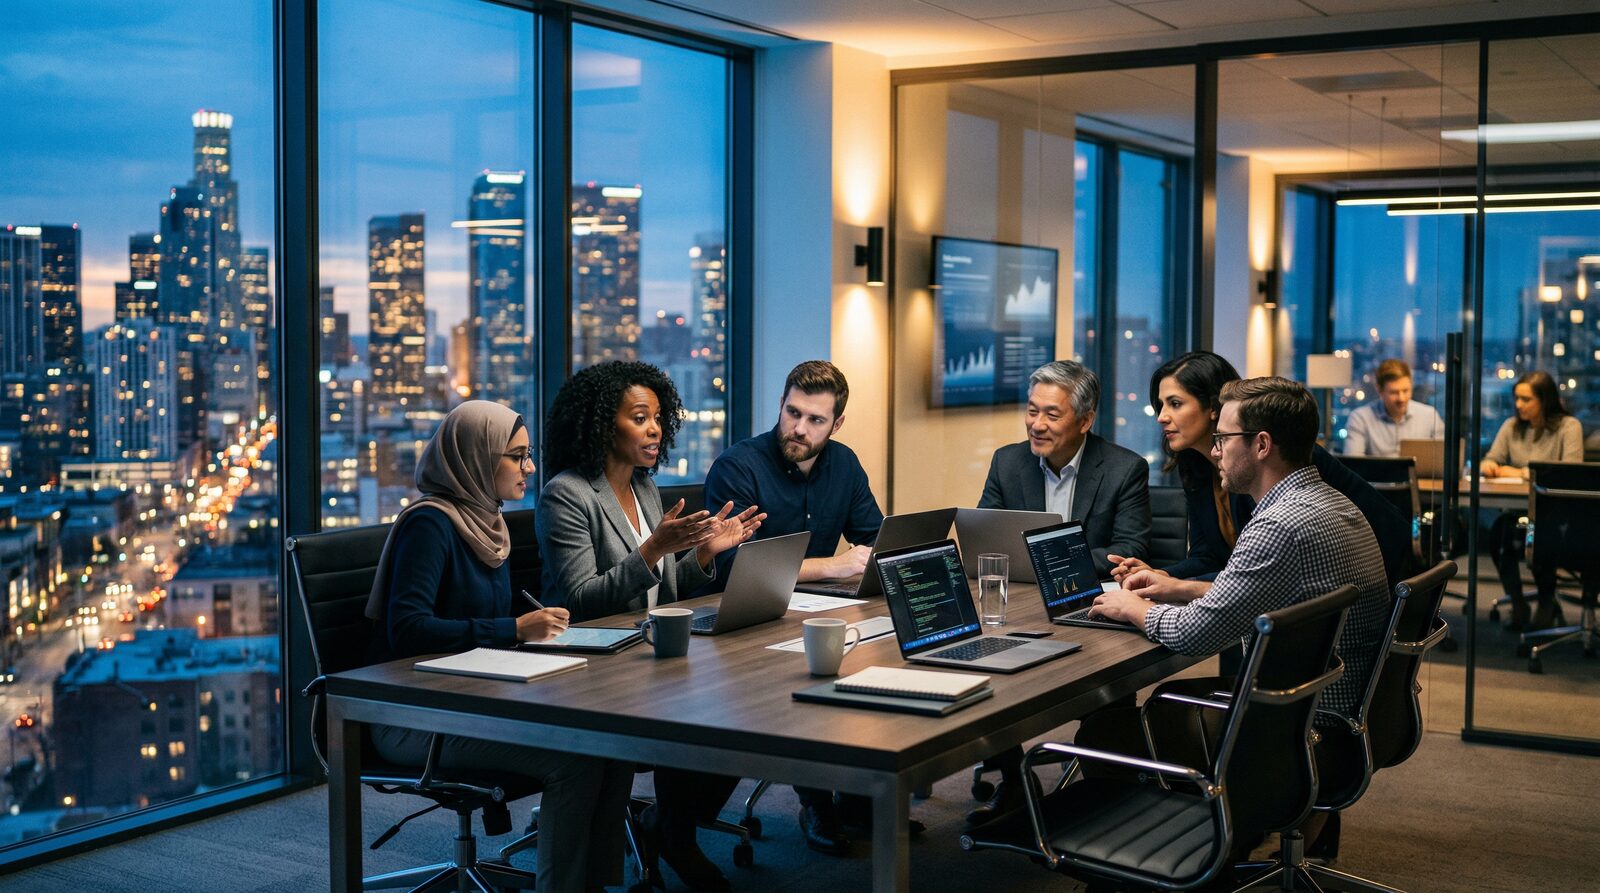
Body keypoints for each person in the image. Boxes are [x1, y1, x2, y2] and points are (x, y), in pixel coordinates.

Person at [1084, 376, 1392, 861]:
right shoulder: (1327, 502)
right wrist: (1182, 588)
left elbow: (1194, 634)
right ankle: (1223, 841)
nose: (1217, 450)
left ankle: (1178, 864)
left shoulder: (1277, 524)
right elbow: (1274, 595)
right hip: (1345, 712)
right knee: (1164, 705)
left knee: (1107, 731)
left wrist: (1133, 607)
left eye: (1223, 439)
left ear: (1262, 445)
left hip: (1300, 726)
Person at [364, 400, 634, 893]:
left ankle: (595, 885)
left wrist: (536, 634)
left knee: (609, 744)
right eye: (517, 456)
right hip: (413, 714)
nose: (529, 467)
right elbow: (408, 631)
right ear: (475, 458)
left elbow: (483, 625)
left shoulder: (487, 522)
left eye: (528, 455)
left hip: (473, 695)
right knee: (575, 758)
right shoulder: (431, 524)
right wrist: (512, 629)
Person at [537, 361, 763, 892]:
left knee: (738, 705)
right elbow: (582, 601)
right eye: (640, 418)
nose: (656, 429)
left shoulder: (644, 488)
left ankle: (673, 827)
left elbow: (664, 587)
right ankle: (674, 836)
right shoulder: (567, 494)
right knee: (704, 712)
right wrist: (656, 546)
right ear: (602, 426)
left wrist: (704, 554)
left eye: (659, 418)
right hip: (590, 665)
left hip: (647, 653)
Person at [701, 359, 905, 856]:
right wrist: (832, 568)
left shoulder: (844, 463)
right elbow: (731, 569)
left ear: (836, 425)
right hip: (750, 624)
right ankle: (816, 799)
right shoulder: (739, 466)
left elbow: (872, 541)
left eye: (815, 420)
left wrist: (881, 560)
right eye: (792, 413)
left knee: (882, 653)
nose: (798, 428)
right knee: (813, 674)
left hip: (821, 612)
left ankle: (858, 797)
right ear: (781, 405)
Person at [1107, 350, 1408, 590]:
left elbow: (1268, 569)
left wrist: (1171, 586)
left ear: (1214, 407)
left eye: (1174, 403)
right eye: (1160, 405)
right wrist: (1160, 574)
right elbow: (1208, 557)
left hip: (1361, 589)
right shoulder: (1197, 469)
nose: (1161, 417)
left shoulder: (1272, 460)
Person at [977, 359, 1150, 575]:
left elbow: (1130, 549)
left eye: (1052, 415)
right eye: (1032, 412)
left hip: (1090, 596)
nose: (1037, 425)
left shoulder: (1125, 470)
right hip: (1021, 590)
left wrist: (1053, 562)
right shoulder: (1006, 462)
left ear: (1085, 421)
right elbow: (985, 538)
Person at [1479, 370, 1585, 630]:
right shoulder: (1512, 427)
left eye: (1526, 400)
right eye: (1517, 398)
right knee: (1499, 535)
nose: (1518, 405)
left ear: (1545, 400)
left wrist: (1518, 472)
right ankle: (1518, 603)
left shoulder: (1568, 427)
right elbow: (1489, 460)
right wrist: (1491, 466)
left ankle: (1547, 604)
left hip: (1558, 513)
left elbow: (1570, 472)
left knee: (1539, 537)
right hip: (1518, 509)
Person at [1343, 358, 1445, 457]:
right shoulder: (1360, 419)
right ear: (1379, 390)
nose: (1401, 398)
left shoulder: (1429, 416)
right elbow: (1353, 465)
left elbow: (1445, 459)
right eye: (1394, 392)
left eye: (1406, 391)